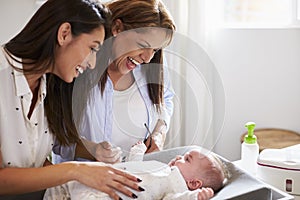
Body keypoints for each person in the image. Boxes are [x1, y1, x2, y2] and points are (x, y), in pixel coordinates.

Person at [0, 1, 143, 200]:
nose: (93, 63)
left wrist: (91, 155)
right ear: (64, 33)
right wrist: (75, 170)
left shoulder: (49, 86)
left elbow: (32, 164)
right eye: (93, 48)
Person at [53, 0, 176, 164]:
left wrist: (159, 133)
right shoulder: (79, 65)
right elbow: (56, 138)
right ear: (117, 28)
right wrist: (93, 150)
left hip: (136, 176)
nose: (147, 58)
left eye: (155, 50)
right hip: (83, 181)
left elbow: (166, 99)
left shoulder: (152, 64)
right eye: (142, 45)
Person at [44, 147, 227, 199]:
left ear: (194, 183)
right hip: (91, 181)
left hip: (105, 195)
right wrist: (136, 156)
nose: (179, 156)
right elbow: (136, 169)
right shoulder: (162, 168)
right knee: (60, 186)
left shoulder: (177, 186)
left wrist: (194, 197)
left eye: (187, 159)